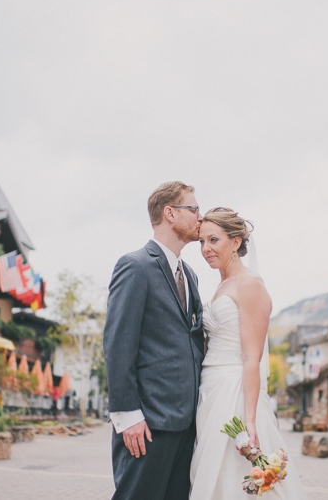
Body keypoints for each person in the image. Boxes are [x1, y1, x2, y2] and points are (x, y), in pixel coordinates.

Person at [190, 207, 306, 499]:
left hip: (235, 392)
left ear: (236, 242)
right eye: (202, 242)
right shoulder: (220, 287)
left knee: (234, 473)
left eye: (214, 240)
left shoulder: (250, 284)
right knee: (211, 472)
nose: (205, 249)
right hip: (210, 391)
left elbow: (252, 358)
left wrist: (250, 419)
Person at [103, 181, 205, 500]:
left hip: (186, 426)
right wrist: (127, 415)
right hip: (147, 425)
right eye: (194, 209)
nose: (201, 217)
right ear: (170, 213)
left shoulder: (190, 275)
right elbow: (118, 344)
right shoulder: (135, 266)